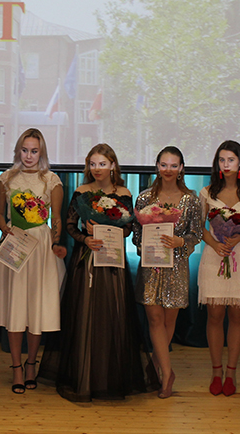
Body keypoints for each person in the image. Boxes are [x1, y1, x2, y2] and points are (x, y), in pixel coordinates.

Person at [40, 143, 155, 402]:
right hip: (86, 260)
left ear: (112, 165)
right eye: (92, 164)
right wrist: (86, 237)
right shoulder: (82, 192)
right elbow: (70, 225)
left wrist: (108, 230)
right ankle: (84, 379)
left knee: (112, 318)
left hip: (112, 262)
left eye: (102, 164)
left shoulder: (124, 193)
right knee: (85, 318)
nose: (97, 169)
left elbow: (128, 229)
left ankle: (108, 379)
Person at [0, 128, 66, 394]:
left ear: (41, 153)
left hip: (40, 247)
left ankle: (32, 363)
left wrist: (55, 241)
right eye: (25, 150)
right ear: (18, 150)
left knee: (36, 308)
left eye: (34, 151)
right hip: (15, 244)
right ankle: (16, 366)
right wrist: (5, 230)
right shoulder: (6, 178)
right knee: (16, 306)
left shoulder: (51, 180)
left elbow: (57, 218)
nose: (29, 156)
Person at [132, 146, 202, 399]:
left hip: (177, 266)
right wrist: (146, 245)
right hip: (151, 267)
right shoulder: (144, 199)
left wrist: (180, 242)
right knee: (154, 319)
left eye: (174, 165)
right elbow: (136, 235)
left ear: (181, 168)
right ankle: (168, 374)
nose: (168, 170)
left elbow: (196, 234)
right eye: (164, 165)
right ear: (157, 166)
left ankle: (155, 366)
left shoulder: (191, 200)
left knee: (168, 321)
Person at [198, 140, 240, 396]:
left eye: (231, 160)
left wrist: (238, 238)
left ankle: (232, 373)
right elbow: (200, 227)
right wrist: (215, 244)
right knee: (214, 315)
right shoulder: (206, 193)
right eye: (221, 160)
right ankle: (216, 371)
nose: (226, 165)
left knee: (237, 316)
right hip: (215, 255)